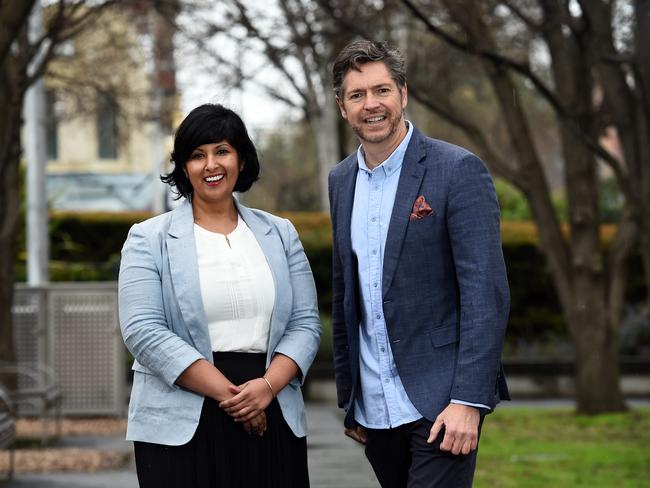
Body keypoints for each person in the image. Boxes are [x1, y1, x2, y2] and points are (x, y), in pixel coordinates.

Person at [328, 40, 510, 487]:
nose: (371, 104)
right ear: (342, 106)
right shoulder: (340, 182)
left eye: (382, 90)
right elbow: (345, 294)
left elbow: (485, 294)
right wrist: (350, 397)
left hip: (443, 405)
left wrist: (469, 399)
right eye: (357, 95)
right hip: (374, 408)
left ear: (403, 95)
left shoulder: (457, 170)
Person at [118, 103, 320, 488]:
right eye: (197, 155)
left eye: (222, 151)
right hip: (183, 420)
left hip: (271, 405)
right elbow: (144, 331)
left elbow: (306, 324)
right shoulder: (148, 238)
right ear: (184, 167)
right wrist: (236, 399)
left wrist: (265, 388)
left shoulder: (280, 233)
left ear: (241, 160)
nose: (211, 165)